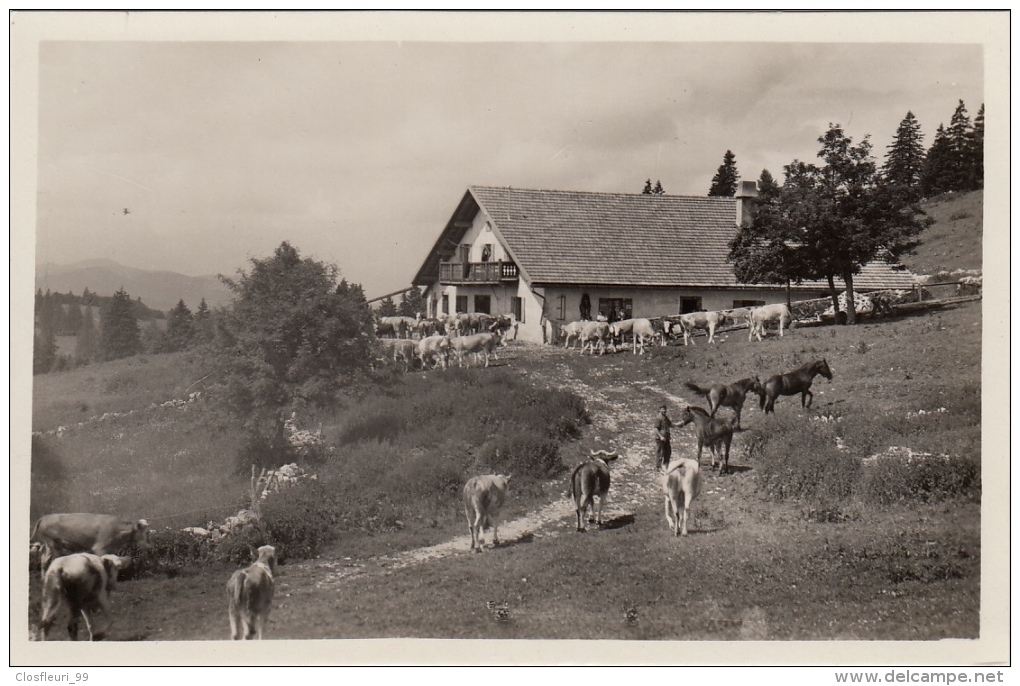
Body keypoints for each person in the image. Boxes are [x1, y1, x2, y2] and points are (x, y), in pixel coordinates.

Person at [654, 405, 673, 471]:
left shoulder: (665, 417)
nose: (664, 411)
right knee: (660, 452)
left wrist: (680, 424)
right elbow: (656, 429)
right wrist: (660, 436)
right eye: (662, 409)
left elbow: (671, 424)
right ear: (660, 409)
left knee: (668, 451)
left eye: (665, 409)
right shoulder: (658, 418)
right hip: (660, 439)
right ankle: (658, 467)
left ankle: (665, 466)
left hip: (666, 438)